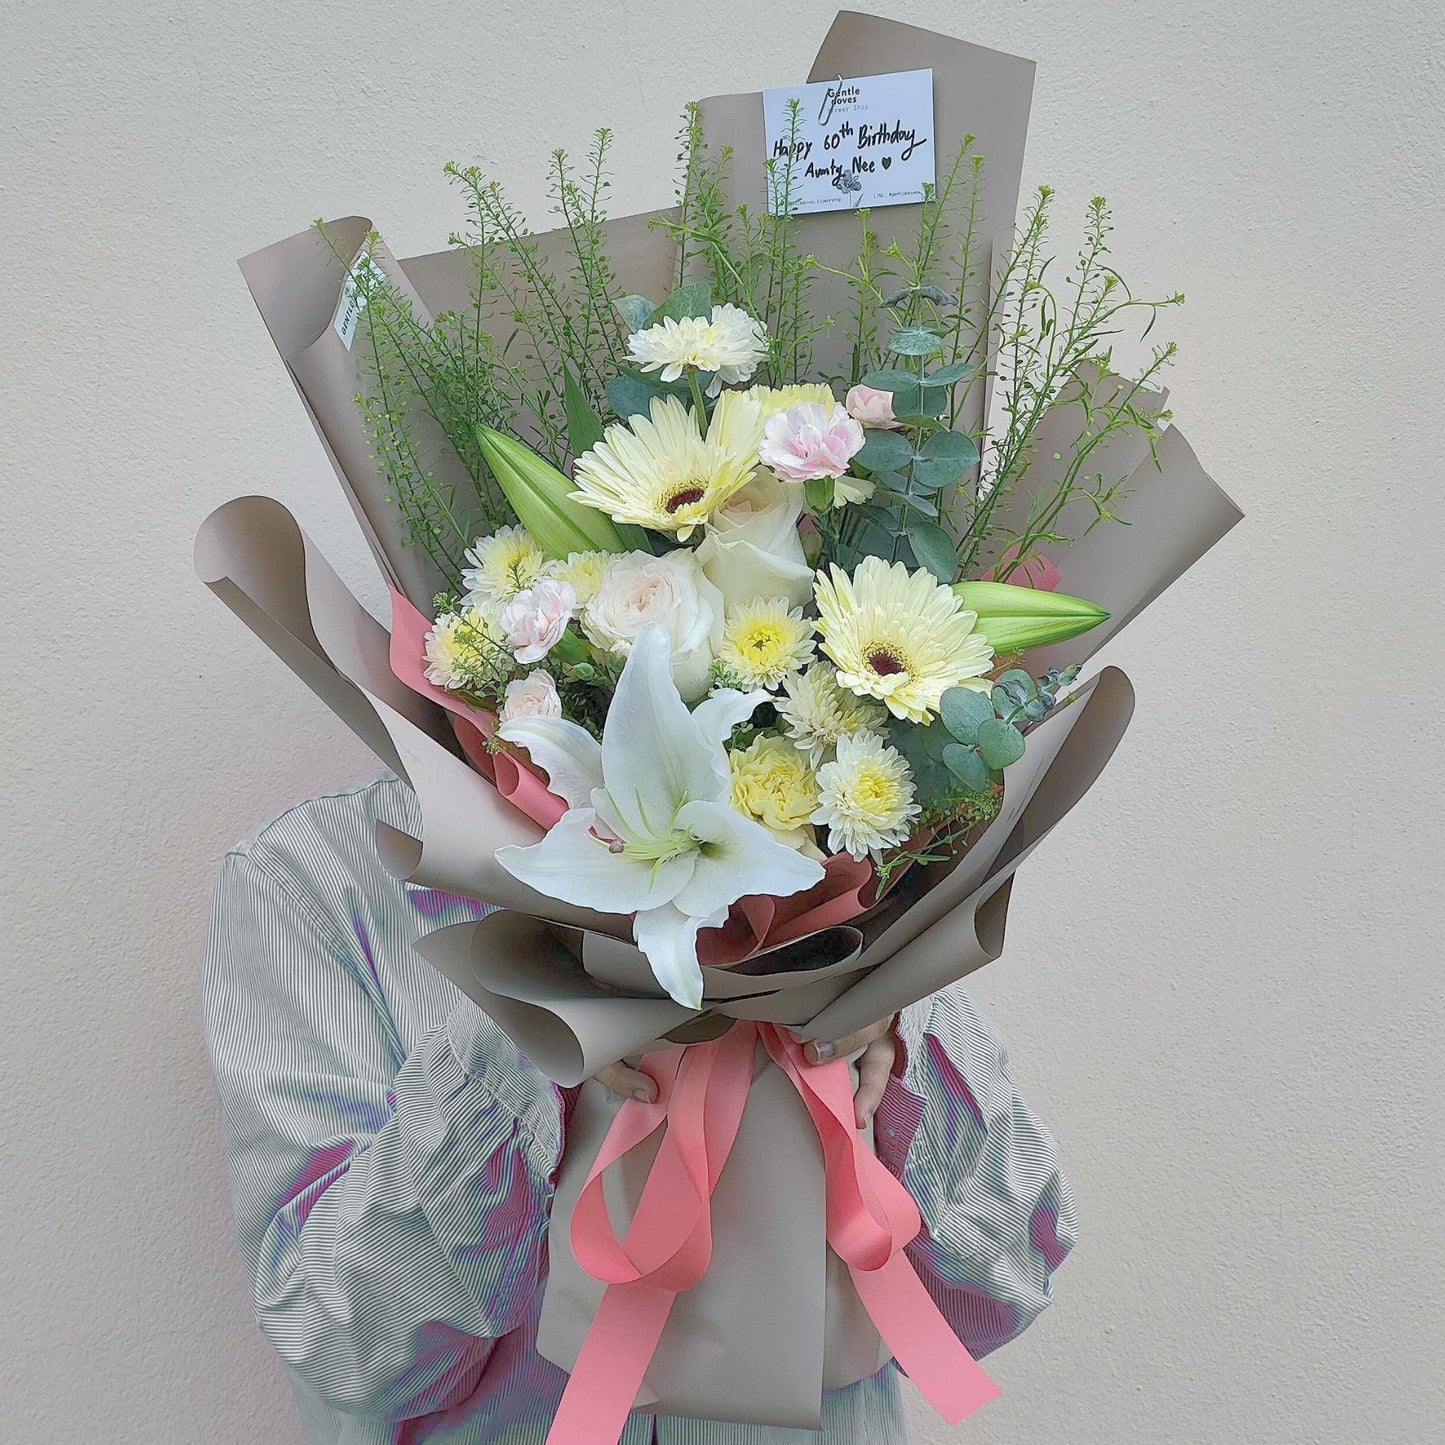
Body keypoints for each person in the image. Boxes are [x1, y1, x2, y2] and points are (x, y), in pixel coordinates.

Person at [203, 774, 1077, 1445]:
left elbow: (1002, 1290)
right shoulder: (311, 880)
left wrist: (893, 1013)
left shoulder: (846, 866)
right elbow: (344, 1342)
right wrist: (519, 1030)